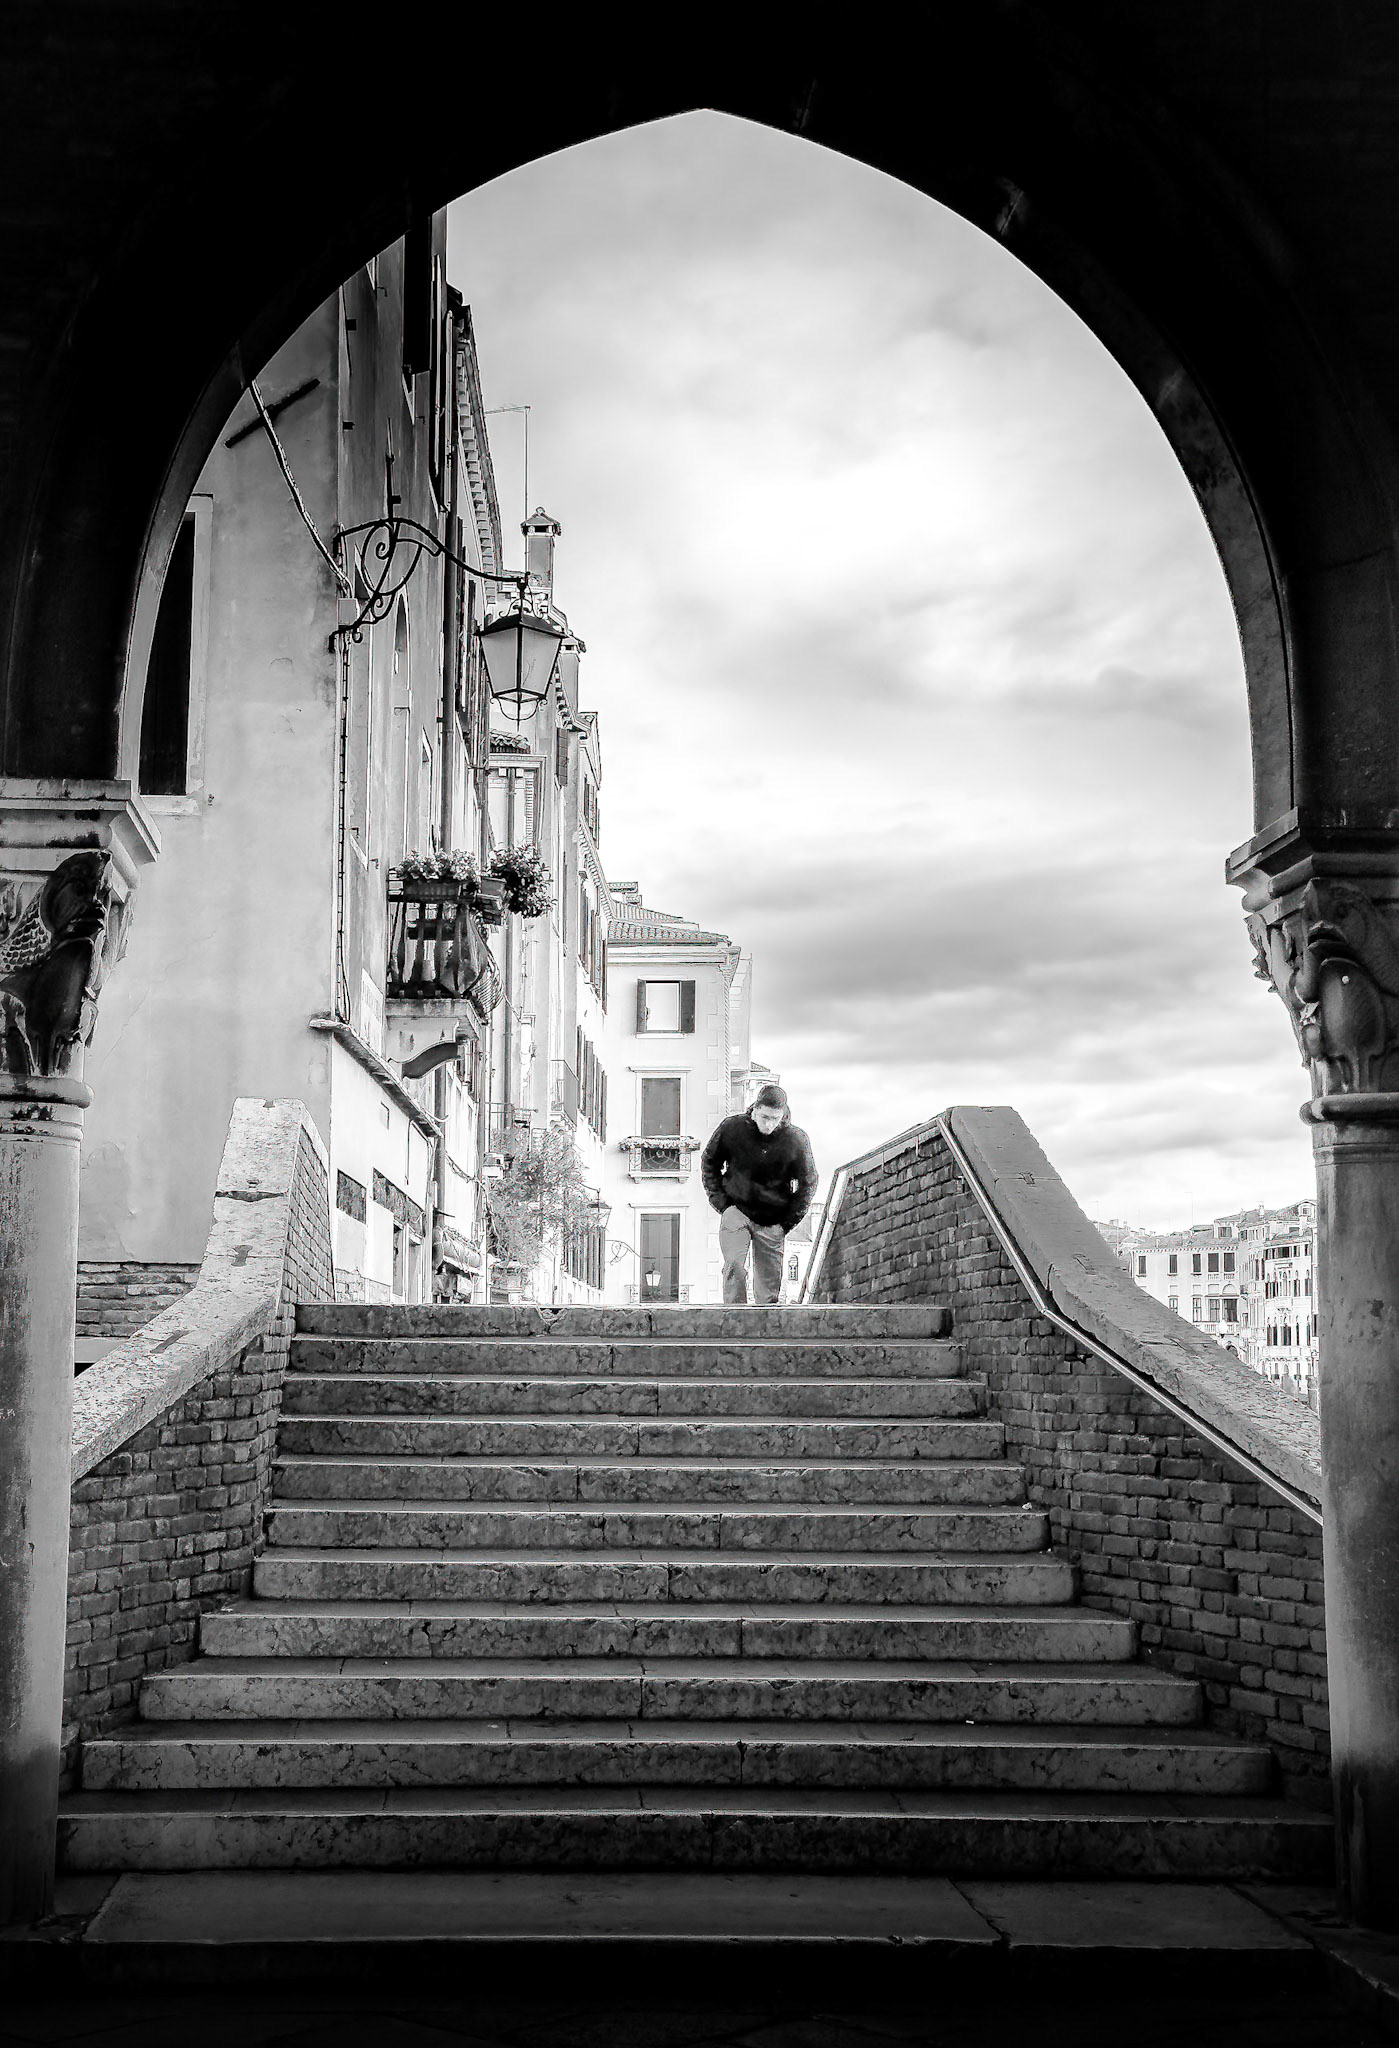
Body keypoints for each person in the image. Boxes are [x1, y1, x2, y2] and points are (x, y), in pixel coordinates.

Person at [700, 1083, 818, 1306]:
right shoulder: (732, 1128)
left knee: (768, 1288)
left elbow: (809, 1182)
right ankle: (735, 1321)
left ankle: (763, 1331)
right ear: (754, 1109)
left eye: (775, 1118)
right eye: (764, 1117)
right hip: (736, 1211)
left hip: (773, 1219)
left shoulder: (796, 1139)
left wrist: (787, 1222)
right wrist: (722, 1205)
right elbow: (709, 1162)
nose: (769, 1124)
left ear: (782, 1115)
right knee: (733, 1266)